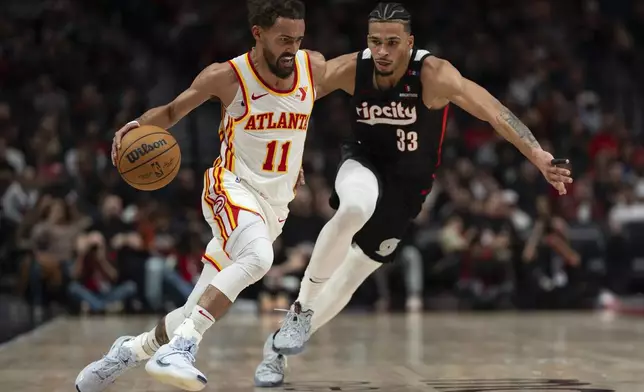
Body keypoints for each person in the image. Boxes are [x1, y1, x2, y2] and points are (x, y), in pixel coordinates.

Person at [253, 2, 573, 387]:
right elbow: (293, 101)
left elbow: (492, 110)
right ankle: (299, 312)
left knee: (353, 273)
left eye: (392, 43)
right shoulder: (354, 68)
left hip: (408, 189)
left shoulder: (434, 75)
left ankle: (275, 350)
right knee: (355, 207)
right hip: (363, 162)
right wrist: (289, 151)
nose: (382, 52)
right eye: (375, 42)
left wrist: (537, 154)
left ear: (410, 42)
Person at [75, 0, 326, 391]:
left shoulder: (311, 68)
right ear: (258, 34)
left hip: (274, 207)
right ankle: (182, 349)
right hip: (231, 186)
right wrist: (137, 124)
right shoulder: (227, 76)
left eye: (298, 38)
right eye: (283, 39)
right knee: (259, 258)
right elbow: (175, 110)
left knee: (196, 308)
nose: (291, 48)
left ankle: (129, 350)